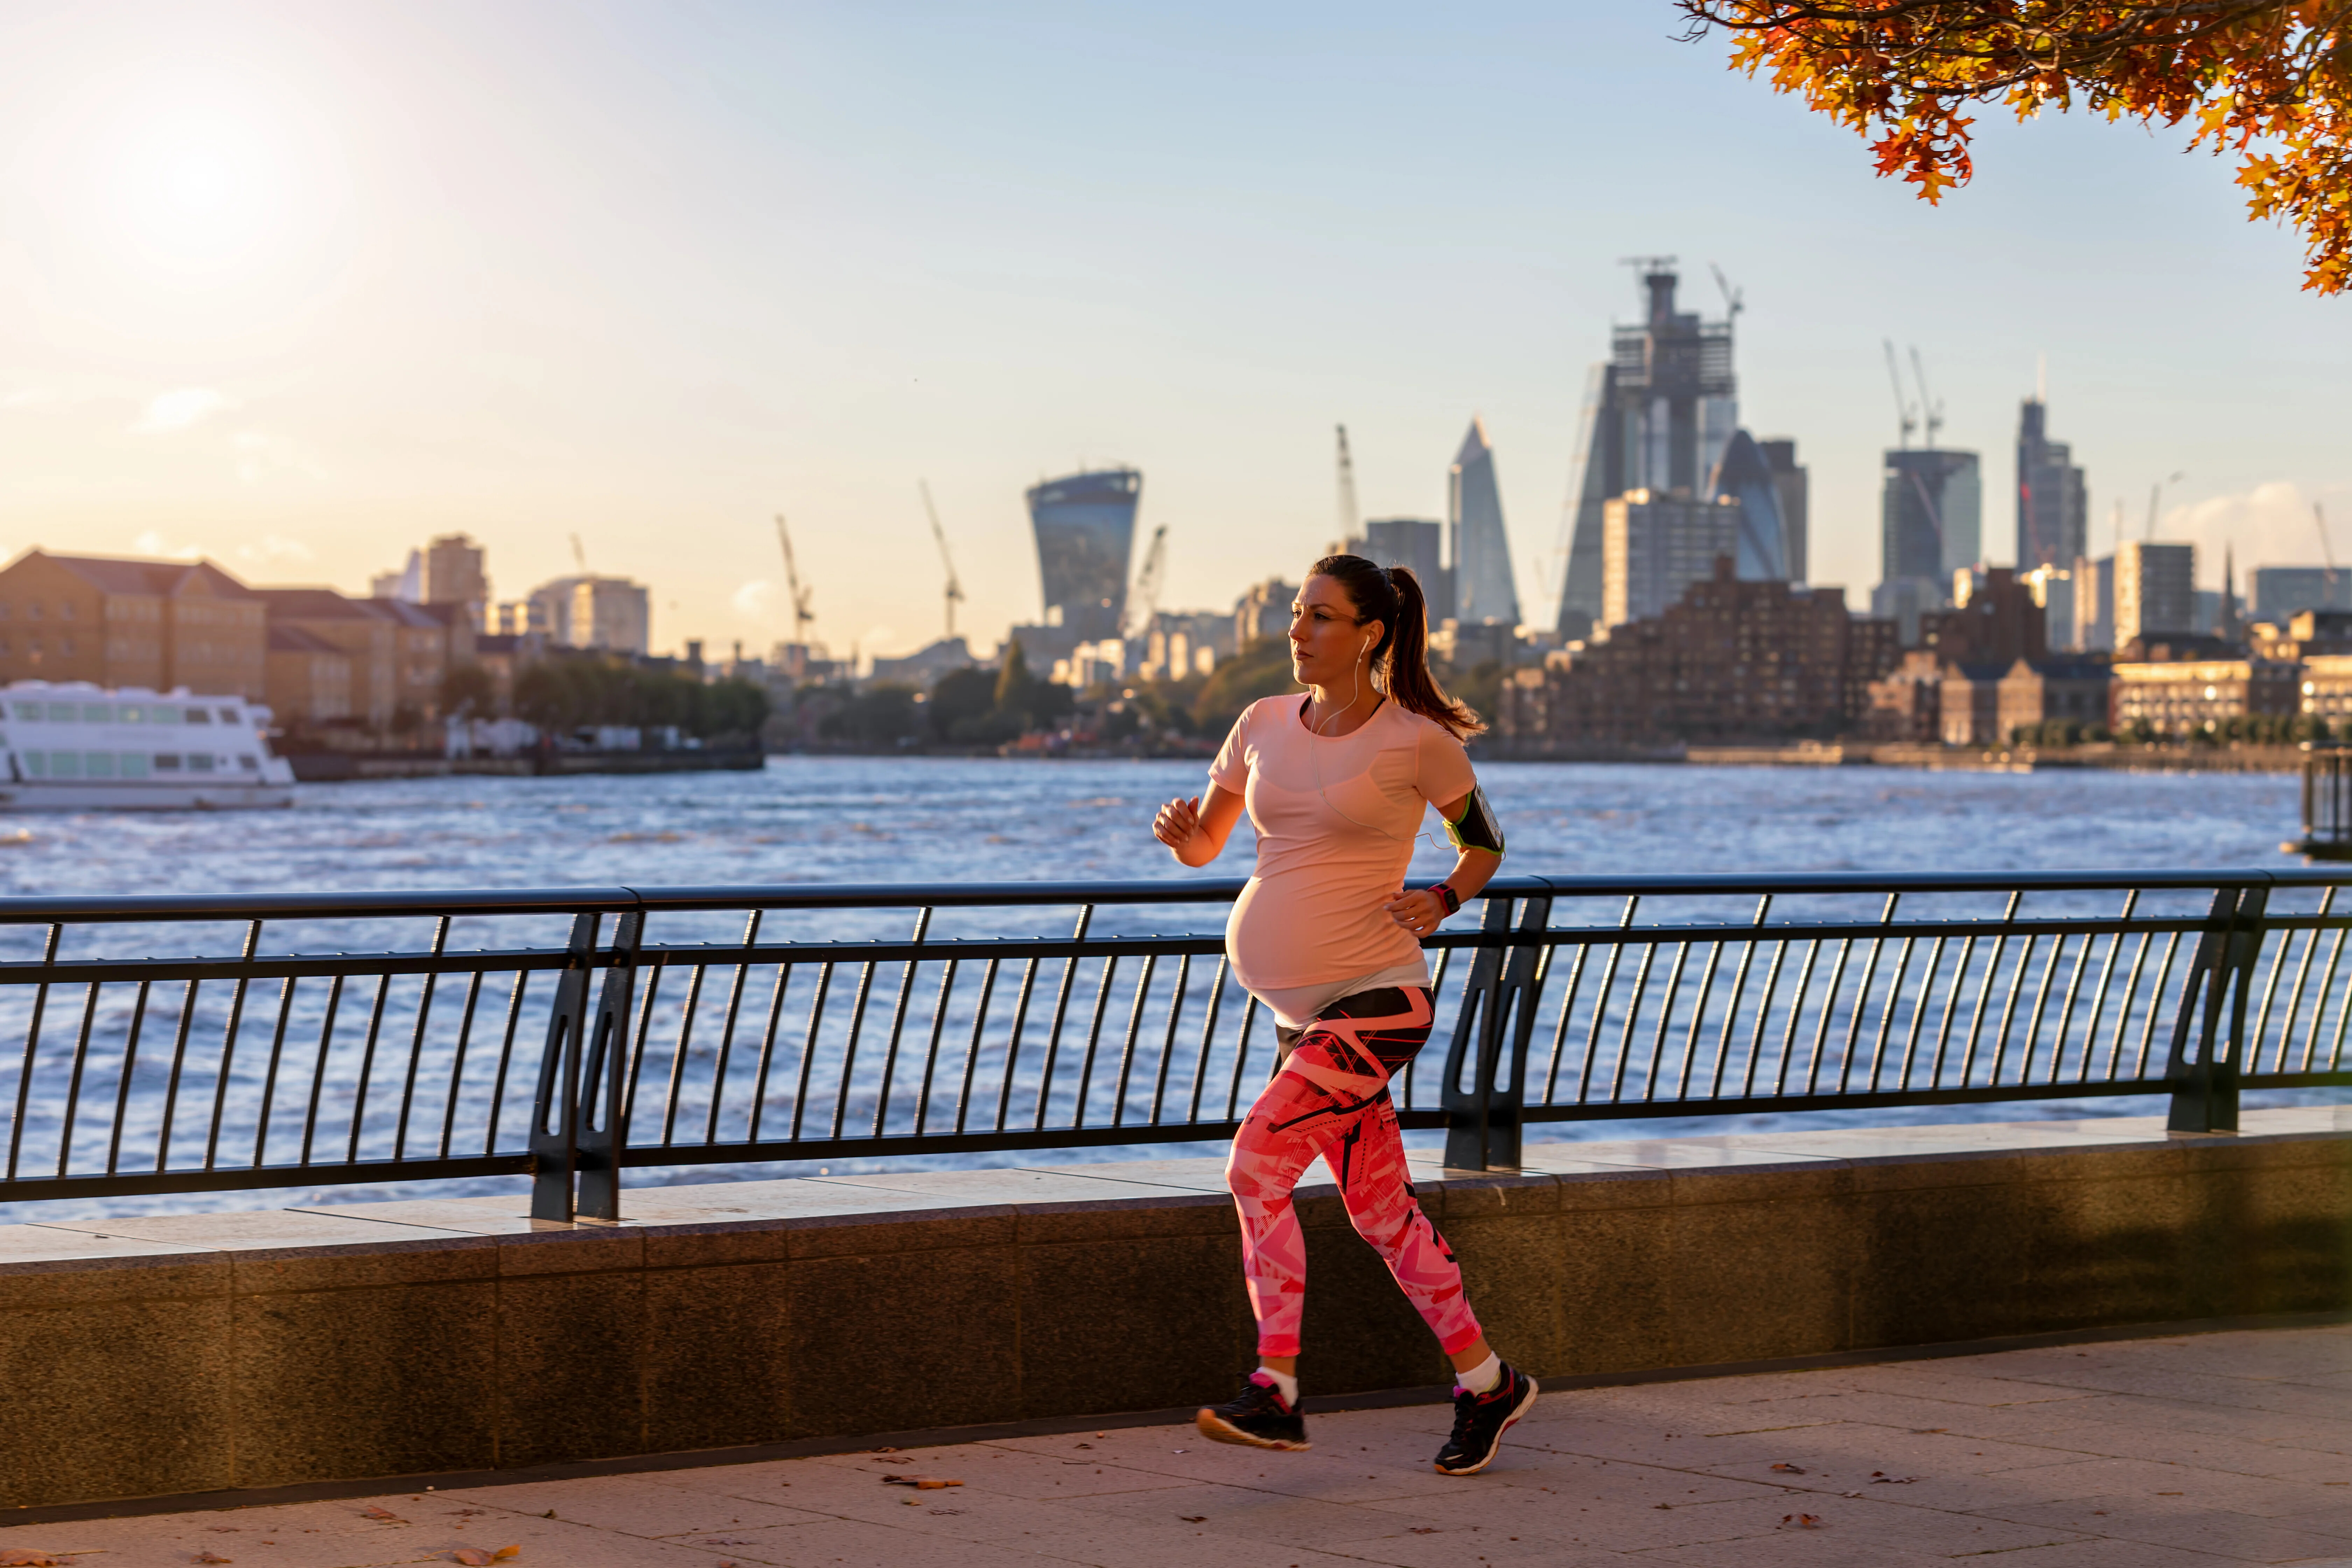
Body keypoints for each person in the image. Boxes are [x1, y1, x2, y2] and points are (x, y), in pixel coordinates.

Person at [1150, 553, 1536, 1477]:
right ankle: (1488, 1383)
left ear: (1370, 633)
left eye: (1320, 616)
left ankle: (1276, 1391)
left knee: (1255, 1166)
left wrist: (1443, 897)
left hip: (1377, 1003)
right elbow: (1211, 845)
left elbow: (1484, 843)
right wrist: (1184, 839)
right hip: (1302, 1016)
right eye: (1296, 612)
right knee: (1381, 1214)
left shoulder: (1417, 741)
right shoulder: (1260, 723)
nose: (1298, 630)